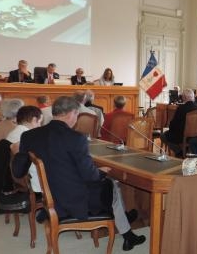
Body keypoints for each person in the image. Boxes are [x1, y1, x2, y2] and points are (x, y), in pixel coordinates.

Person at [11, 96, 146, 251]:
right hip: (72, 202)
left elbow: (18, 171)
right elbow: (90, 176)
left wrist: (18, 153)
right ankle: (127, 233)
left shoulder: (29, 136)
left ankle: (123, 220)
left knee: (107, 184)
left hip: (48, 197)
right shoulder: (76, 138)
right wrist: (99, 172)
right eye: (76, 115)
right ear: (71, 114)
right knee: (111, 184)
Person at [8, 106, 43, 192]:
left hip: (20, 178)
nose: (40, 126)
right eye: (40, 122)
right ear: (34, 120)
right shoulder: (29, 136)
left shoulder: (13, 132)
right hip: (35, 183)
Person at [161, 89, 197, 157]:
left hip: (181, 135)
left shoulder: (181, 108)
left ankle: (179, 151)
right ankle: (186, 149)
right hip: (195, 136)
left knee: (163, 135)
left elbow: (174, 124)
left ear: (184, 97)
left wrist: (170, 128)